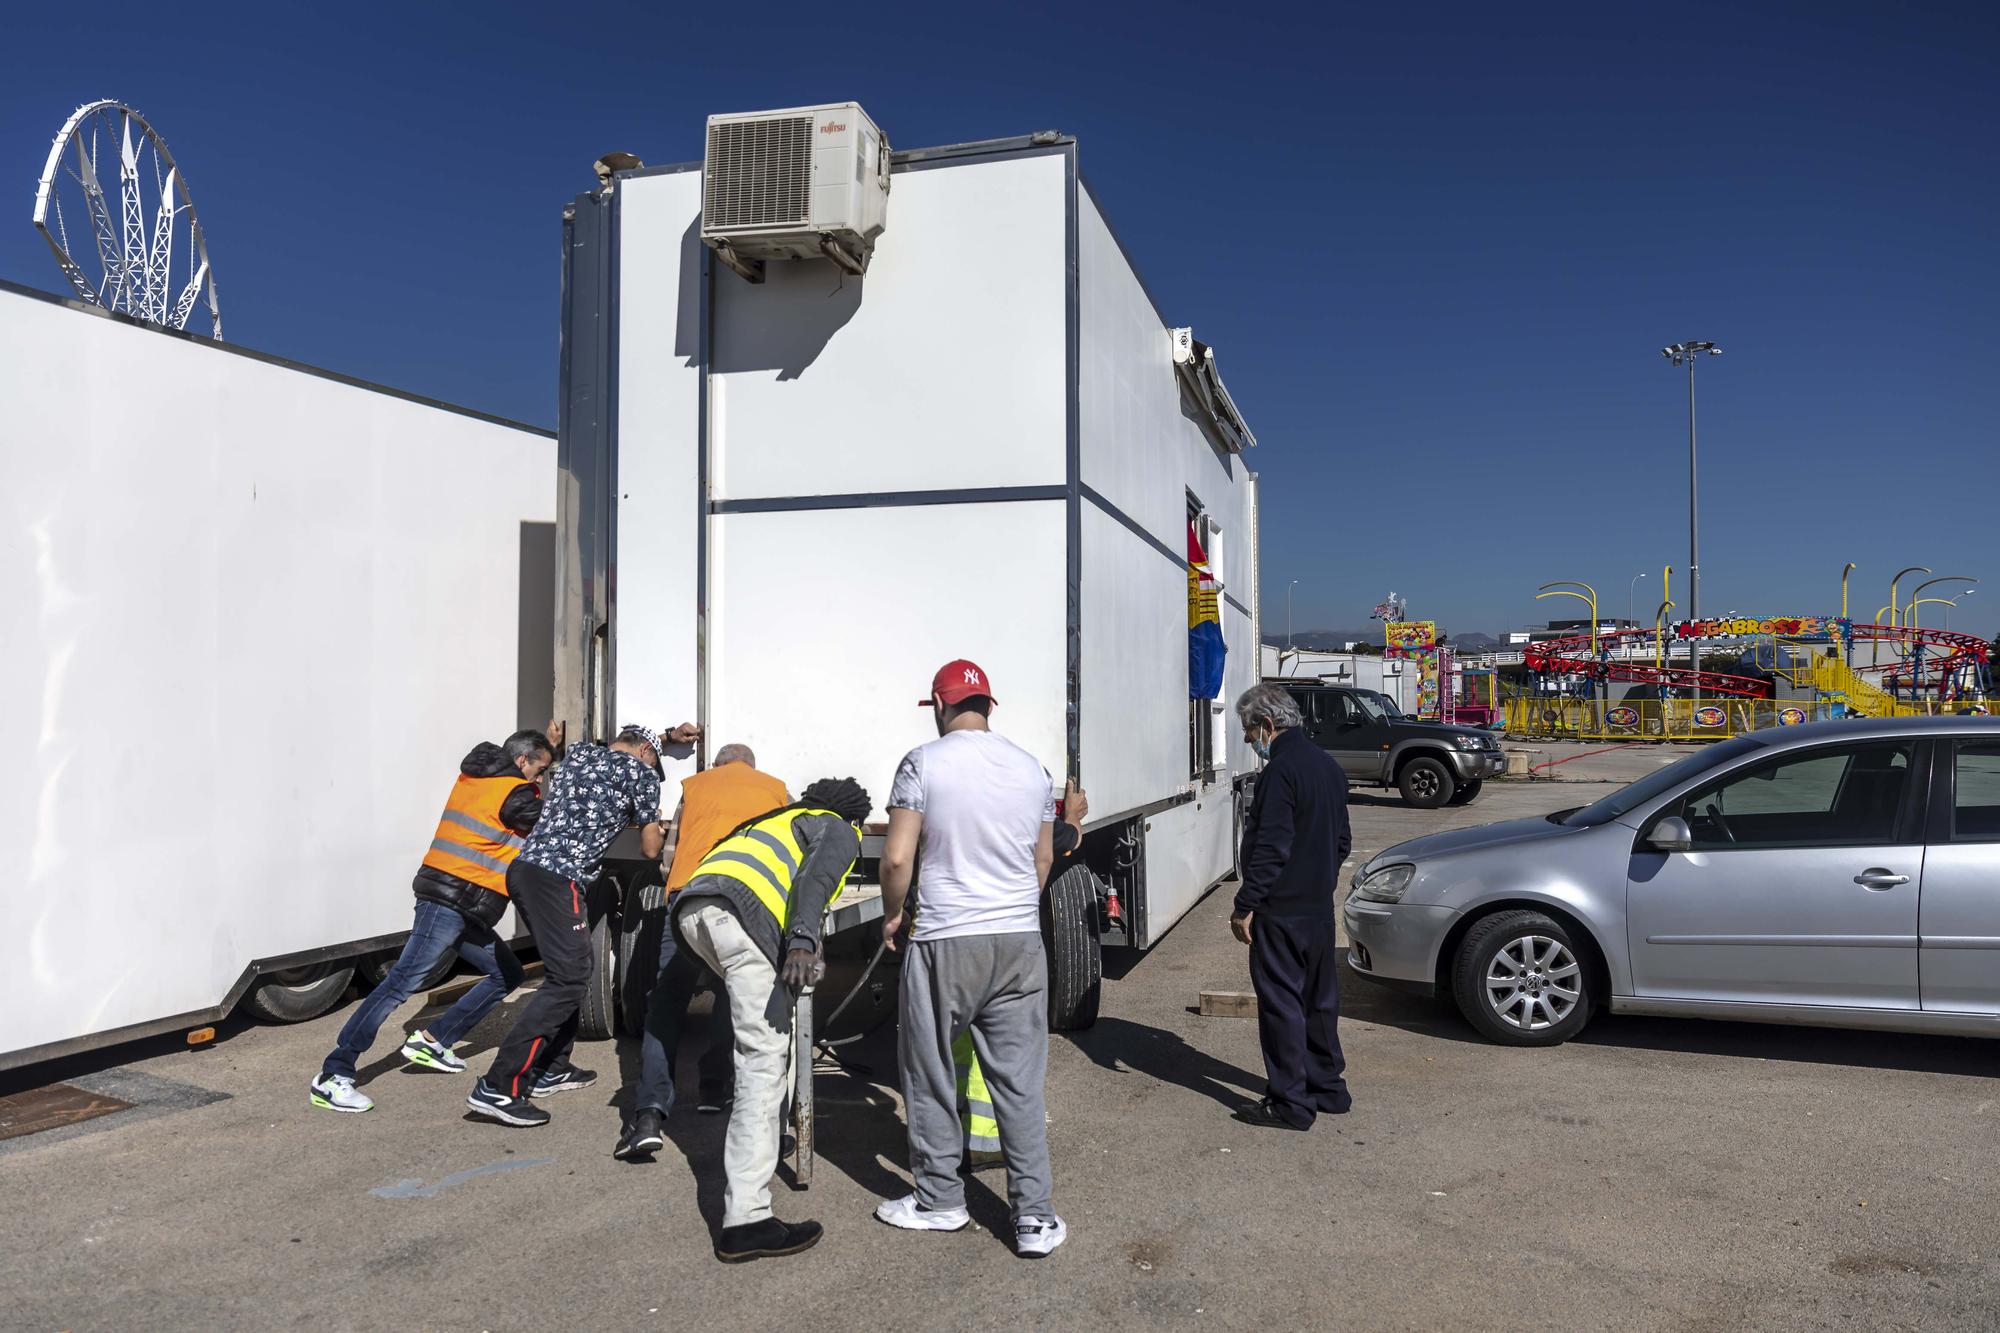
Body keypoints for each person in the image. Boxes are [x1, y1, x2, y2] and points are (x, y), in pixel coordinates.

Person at [876, 659, 1066, 1259]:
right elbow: (1042, 860)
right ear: (988, 706)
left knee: (930, 1070)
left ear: (939, 704)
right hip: (1018, 939)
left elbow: (898, 859)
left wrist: (891, 915)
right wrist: (1011, 911)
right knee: (1018, 1080)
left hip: (945, 938)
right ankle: (1034, 1219)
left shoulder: (921, 763)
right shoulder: (1033, 768)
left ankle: (940, 1202)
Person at [670, 777, 871, 1263]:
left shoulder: (773, 821)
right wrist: (802, 938)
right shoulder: (838, 827)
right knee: (763, 1064)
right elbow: (814, 880)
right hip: (743, 919)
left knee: (764, 1036)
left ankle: (771, 1137)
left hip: (695, 912)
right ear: (854, 816)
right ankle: (747, 1220)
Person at [309, 727, 557, 1113]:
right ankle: (334, 1073)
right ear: (522, 761)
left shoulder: (480, 776)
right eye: (540, 770)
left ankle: (435, 1040)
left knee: (507, 973)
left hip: (460, 900)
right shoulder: (515, 791)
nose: (540, 780)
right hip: (451, 901)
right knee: (400, 984)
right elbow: (552, 821)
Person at [467, 720, 700, 1127]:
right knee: (570, 978)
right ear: (647, 755)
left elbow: (626, 741)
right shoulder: (642, 774)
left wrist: (662, 738)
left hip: (526, 870)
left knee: (572, 970)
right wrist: (665, 828)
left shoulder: (581, 753)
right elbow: (649, 850)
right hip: (558, 878)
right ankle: (499, 1086)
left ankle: (553, 1068)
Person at [614, 742, 790, 1161]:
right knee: (735, 994)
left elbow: (669, 855)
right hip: (751, 901)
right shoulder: (777, 788)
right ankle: (715, 1088)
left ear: (717, 765)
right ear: (752, 765)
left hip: (690, 897)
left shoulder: (696, 785)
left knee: (667, 1000)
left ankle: (649, 1116)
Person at [1229, 683, 1354, 1131]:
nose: (1248, 740)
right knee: (1319, 1001)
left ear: (1267, 724)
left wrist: (1247, 903)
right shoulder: (1327, 767)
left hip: (1281, 910)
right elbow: (1343, 841)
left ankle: (1290, 1104)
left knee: (1282, 1004)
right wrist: (1319, 877)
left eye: (1248, 730)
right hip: (1318, 908)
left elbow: (1271, 846)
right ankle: (1328, 1089)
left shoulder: (1280, 772)